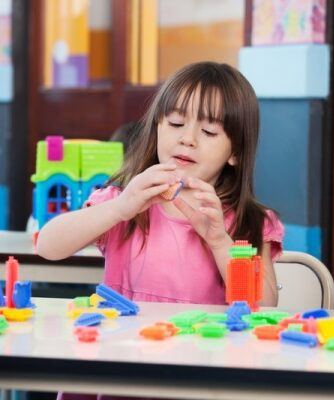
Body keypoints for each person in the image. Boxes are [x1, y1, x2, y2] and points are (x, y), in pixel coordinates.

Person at [37, 62, 284, 307]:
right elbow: (48, 246)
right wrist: (118, 209)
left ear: (236, 152)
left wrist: (220, 242)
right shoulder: (127, 202)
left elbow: (265, 306)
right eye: (176, 123)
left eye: (209, 131)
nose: (187, 139)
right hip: (124, 345)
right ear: (157, 129)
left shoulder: (249, 221)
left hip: (205, 347)